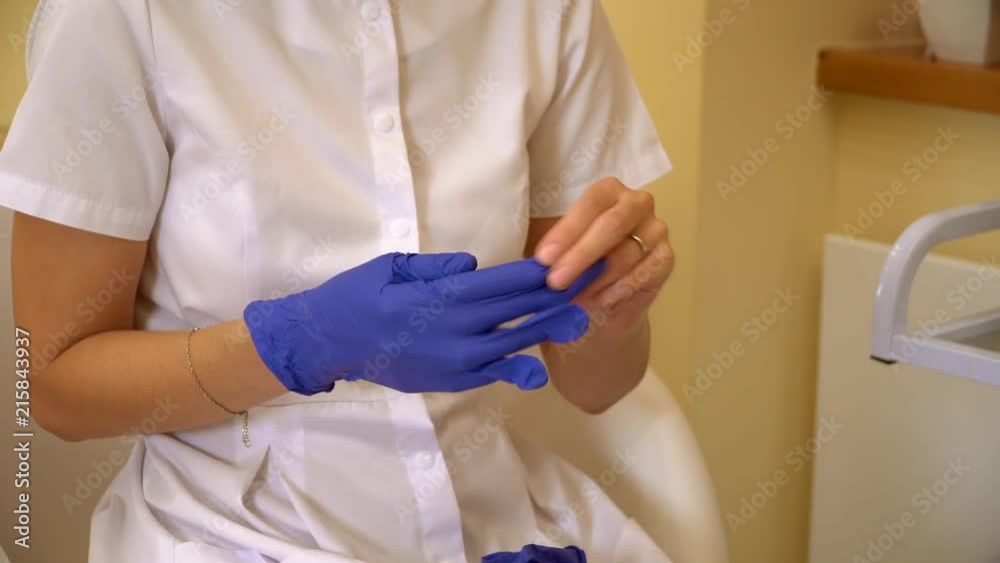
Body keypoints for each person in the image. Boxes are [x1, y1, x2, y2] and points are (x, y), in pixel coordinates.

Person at [0, 1, 675, 561]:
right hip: (230, 531)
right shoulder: (125, 13)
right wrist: (296, 342)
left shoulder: (546, 12)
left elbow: (596, 386)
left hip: (499, 522)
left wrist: (616, 307)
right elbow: (55, 386)